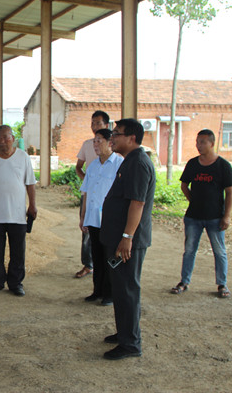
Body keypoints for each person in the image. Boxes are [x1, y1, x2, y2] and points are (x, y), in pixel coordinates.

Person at [100, 119, 155, 360]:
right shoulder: (129, 161)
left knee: (127, 290)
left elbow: (138, 203)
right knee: (121, 289)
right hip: (119, 237)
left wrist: (127, 237)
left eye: (117, 134)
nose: (112, 138)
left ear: (132, 138)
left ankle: (131, 343)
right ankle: (125, 332)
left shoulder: (138, 163)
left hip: (128, 241)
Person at [170, 129, 232, 298]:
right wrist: (193, 200)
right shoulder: (192, 164)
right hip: (193, 217)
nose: (198, 145)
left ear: (212, 143)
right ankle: (184, 281)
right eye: (197, 142)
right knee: (189, 250)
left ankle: (222, 284)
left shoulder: (223, 166)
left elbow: (229, 193)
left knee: (219, 251)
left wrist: (227, 216)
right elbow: (184, 185)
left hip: (216, 217)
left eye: (202, 142)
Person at [0, 125, 37, 296]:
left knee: (18, 252)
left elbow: (30, 183)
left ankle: (16, 283)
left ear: (13, 138)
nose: (2, 141)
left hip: (17, 215)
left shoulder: (23, 157)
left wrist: (32, 205)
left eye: (5, 137)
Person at [79, 129, 123, 306]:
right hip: (93, 219)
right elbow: (86, 192)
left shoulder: (119, 164)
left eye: (99, 141)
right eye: (94, 141)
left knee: (109, 257)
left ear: (110, 142)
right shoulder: (93, 166)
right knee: (96, 256)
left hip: (110, 220)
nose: (95, 145)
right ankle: (97, 291)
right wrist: (83, 217)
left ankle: (109, 294)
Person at [75, 110, 110, 278]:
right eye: (92, 123)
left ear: (106, 125)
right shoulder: (87, 145)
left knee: (106, 232)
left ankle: (105, 266)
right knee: (87, 231)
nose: (94, 126)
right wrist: (88, 182)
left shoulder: (115, 155)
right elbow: (78, 167)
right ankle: (88, 264)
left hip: (105, 198)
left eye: (98, 123)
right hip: (89, 195)